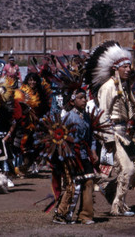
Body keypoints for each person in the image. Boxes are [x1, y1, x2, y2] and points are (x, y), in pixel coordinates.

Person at [84, 40, 135, 217]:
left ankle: (108, 187)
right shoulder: (108, 87)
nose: (129, 69)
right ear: (116, 68)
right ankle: (118, 206)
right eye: (125, 67)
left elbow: (131, 111)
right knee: (128, 169)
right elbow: (103, 114)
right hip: (112, 133)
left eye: (130, 66)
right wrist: (107, 139)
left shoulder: (125, 87)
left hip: (123, 133)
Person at [53, 88, 98, 225]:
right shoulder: (67, 117)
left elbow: (92, 137)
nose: (84, 100)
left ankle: (85, 215)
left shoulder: (86, 117)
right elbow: (59, 138)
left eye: (84, 97)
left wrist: (94, 151)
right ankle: (62, 214)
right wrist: (66, 155)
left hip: (84, 154)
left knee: (89, 182)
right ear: (72, 101)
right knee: (73, 185)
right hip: (71, 155)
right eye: (80, 98)